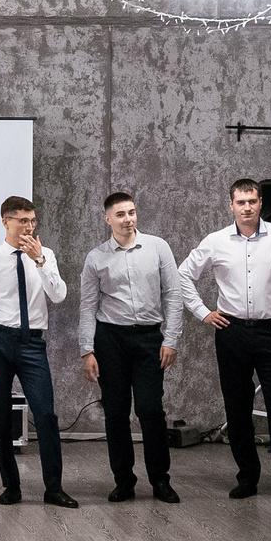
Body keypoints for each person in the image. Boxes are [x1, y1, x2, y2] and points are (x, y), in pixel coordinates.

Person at [178, 179, 271, 506]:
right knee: (237, 408)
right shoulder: (215, 241)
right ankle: (247, 477)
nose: (247, 208)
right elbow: (183, 275)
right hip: (231, 332)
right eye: (240, 202)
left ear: (261, 203)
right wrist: (203, 312)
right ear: (231, 205)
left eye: (252, 201)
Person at [0, 196, 78, 510]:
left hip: (32, 343)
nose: (30, 227)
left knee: (45, 414)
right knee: (1, 416)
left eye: (32, 221)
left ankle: (54, 488)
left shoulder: (45, 255)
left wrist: (39, 260)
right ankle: (11, 486)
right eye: (23, 221)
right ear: (6, 222)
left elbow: (58, 295)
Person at [79, 192, 185, 504]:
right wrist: (87, 350)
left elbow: (173, 294)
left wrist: (171, 339)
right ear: (107, 219)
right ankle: (123, 481)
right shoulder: (96, 258)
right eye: (121, 214)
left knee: (151, 410)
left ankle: (160, 480)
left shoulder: (158, 247)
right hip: (110, 340)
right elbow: (87, 306)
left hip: (149, 338)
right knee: (115, 412)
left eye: (132, 212)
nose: (128, 219)